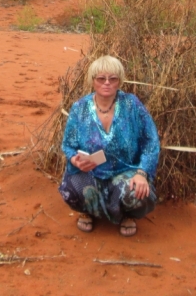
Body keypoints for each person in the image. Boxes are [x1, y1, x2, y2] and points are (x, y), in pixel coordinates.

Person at [59, 55, 160, 237]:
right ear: (92, 81)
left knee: (139, 193)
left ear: (119, 81)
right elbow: (68, 145)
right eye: (101, 79)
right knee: (70, 189)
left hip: (125, 172)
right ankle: (88, 210)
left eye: (113, 79)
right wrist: (75, 160)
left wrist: (142, 173)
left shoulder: (132, 105)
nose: (107, 83)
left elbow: (151, 141)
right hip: (92, 172)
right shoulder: (79, 108)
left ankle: (127, 215)